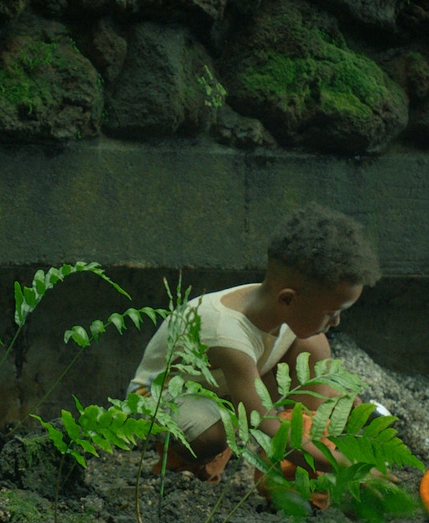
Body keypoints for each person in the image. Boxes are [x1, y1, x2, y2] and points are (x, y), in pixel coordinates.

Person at [126, 203, 380, 483]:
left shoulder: (273, 306)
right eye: (331, 313)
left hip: (222, 383)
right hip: (160, 397)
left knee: (314, 347)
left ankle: (294, 476)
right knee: (215, 434)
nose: (337, 322)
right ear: (288, 299)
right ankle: (181, 463)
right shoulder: (228, 335)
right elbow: (264, 423)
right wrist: (348, 467)